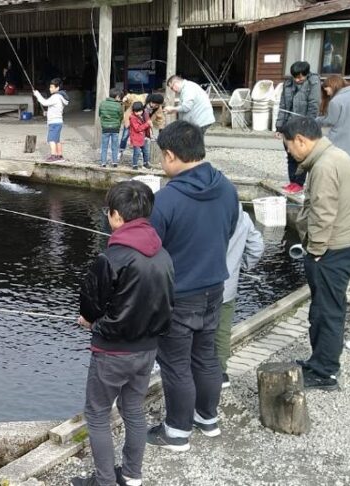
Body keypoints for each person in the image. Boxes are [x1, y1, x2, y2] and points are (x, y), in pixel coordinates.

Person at [72, 180, 174, 486]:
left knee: (98, 413)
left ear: (116, 215)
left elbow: (90, 306)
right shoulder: (163, 254)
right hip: (147, 350)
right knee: (133, 409)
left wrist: (91, 322)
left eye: (108, 212)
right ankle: (132, 476)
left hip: (112, 351)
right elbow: (167, 302)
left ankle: (104, 481)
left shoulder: (111, 258)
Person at [147, 120, 239, 452]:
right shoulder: (227, 187)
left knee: (175, 363)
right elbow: (228, 230)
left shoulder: (166, 199)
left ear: (170, 155)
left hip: (179, 294)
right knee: (206, 355)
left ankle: (177, 432)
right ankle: (207, 418)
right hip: (214, 287)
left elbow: (150, 251)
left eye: (161, 156)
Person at [283, 116, 350, 390]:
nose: (290, 153)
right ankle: (320, 359)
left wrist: (316, 251)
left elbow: (322, 212)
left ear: (301, 141)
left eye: (289, 147)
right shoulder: (337, 155)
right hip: (349, 240)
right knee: (329, 307)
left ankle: (324, 371)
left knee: (326, 311)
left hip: (332, 249)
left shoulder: (324, 167)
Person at [216, 207, 264, 389]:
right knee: (222, 332)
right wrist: (243, 266)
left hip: (197, 286)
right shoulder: (241, 215)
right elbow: (256, 246)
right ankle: (221, 373)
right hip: (227, 285)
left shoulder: (198, 211)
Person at [276, 61, 321, 194]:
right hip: (289, 125)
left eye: (300, 77)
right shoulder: (288, 84)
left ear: (306, 74)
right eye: (295, 77)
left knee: (301, 156)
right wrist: (279, 127)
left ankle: (299, 183)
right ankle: (292, 182)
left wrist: (306, 126)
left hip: (303, 125)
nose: (297, 80)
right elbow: (283, 106)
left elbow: (314, 106)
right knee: (290, 154)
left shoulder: (313, 83)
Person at [317, 75, 350, 168]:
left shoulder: (336, 101)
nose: (327, 93)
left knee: (337, 169)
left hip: (339, 141)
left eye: (327, 89)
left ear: (333, 85)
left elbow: (330, 120)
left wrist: (317, 120)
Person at [33, 77, 69, 162]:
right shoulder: (60, 97)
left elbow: (44, 102)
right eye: (50, 87)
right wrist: (47, 113)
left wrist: (37, 94)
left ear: (57, 88)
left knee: (51, 140)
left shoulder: (56, 97)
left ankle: (54, 156)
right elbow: (55, 109)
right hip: (58, 121)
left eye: (52, 87)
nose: (50, 89)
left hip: (54, 122)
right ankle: (60, 156)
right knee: (57, 140)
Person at [99, 88, 123, 167]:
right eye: (120, 97)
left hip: (105, 128)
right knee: (114, 146)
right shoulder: (119, 105)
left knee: (104, 146)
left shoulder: (102, 103)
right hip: (115, 128)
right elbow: (121, 117)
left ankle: (103, 163)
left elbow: (100, 114)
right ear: (117, 96)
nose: (120, 98)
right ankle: (115, 162)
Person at [129, 101, 152, 170]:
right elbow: (137, 129)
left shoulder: (144, 114)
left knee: (146, 151)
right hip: (136, 137)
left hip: (143, 137)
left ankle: (145, 163)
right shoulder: (132, 118)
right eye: (136, 112)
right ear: (133, 111)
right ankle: (135, 164)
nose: (138, 113)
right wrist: (147, 124)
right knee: (137, 152)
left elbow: (148, 121)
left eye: (140, 111)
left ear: (142, 110)